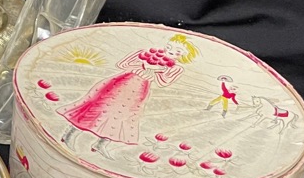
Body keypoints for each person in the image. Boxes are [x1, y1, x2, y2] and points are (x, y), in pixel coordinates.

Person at [59, 35, 199, 153]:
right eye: (169, 47)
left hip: (138, 91)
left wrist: (155, 71)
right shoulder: (146, 53)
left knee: (123, 116)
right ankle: (69, 134)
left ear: (184, 56)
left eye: (178, 52)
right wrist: (143, 65)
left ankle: (100, 144)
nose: (171, 52)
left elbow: (163, 82)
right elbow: (122, 64)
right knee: (97, 108)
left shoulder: (175, 68)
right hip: (120, 83)